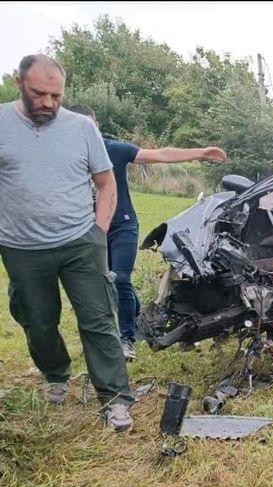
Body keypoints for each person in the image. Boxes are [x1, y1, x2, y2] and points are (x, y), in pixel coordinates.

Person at [0, 55, 134, 431]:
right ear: (18, 83)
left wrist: (99, 231)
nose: (47, 103)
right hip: (21, 247)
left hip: (80, 241)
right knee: (38, 322)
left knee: (99, 319)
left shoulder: (81, 128)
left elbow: (106, 183)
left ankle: (116, 399)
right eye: (38, 93)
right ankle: (57, 373)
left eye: (56, 95)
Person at [67, 105, 227, 360]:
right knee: (108, 283)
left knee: (119, 279)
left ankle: (127, 339)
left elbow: (160, 154)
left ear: (96, 125)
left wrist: (201, 152)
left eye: (90, 124)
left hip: (122, 225)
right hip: (91, 229)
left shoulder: (114, 150)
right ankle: (143, 317)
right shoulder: (67, 155)